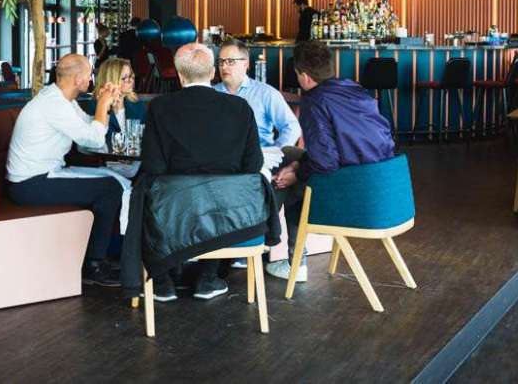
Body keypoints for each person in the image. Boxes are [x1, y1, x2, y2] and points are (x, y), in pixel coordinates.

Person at [139, 43, 264, 301]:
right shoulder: (239, 108)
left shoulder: (160, 108)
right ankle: (208, 277)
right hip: (228, 213)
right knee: (215, 196)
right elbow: (253, 164)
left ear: (180, 75)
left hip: (176, 212)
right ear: (212, 73)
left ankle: (161, 280)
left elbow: (153, 165)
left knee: (145, 194)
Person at [264, 40, 395, 282]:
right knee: (292, 156)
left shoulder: (314, 101)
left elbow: (325, 163)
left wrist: (296, 174)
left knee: (292, 183)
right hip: (383, 188)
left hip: (354, 194)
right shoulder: (353, 88)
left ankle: (290, 258)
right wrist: (297, 165)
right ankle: (275, 240)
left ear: (304, 76)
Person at [6, 54, 124, 287]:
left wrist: (106, 106)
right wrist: (102, 105)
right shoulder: (54, 104)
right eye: (89, 75)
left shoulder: (62, 100)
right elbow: (93, 139)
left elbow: (91, 130)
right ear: (78, 79)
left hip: (41, 176)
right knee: (109, 188)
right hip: (29, 185)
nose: (91, 80)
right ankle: (94, 264)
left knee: (114, 180)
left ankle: (96, 257)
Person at [214, 38, 302, 270]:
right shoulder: (212, 94)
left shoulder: (264, 93)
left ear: (246, 64)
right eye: (221, 61)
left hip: (260, 156)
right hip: (223, 159)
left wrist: (276, 152)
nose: (224, 66)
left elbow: (291, 127)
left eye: (231, 61)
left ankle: (251, 242)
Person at [86, 58, 146, 144]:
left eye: (131, 76)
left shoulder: (138, 105)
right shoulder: (96, 107)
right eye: (124, 78)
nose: (130, 81)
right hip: (106, 156)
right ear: (110, 80)